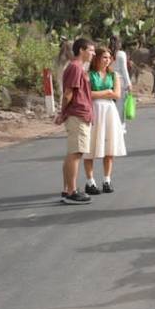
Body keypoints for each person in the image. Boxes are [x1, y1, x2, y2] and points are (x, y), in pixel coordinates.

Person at [56, 38, 96, 204]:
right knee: (76, 153)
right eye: (91, 50)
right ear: (81, 50)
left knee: (72, 153)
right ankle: (72, 191)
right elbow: (68, 93)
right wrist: (62, 112)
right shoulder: (75, 67)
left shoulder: (78, 67)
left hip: (80, 114)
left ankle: (67, 190)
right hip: (77, 114)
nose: (93, 53)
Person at [83, 47, 126, 194]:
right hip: (94, 110)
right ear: (97, 58)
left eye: (109, 58)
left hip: (109, 111)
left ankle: (107, 180)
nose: (107, 60)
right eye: (104, 57)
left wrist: (101, 93)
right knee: (90, 147)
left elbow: (117, 95)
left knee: (109, 147)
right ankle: (90, 181)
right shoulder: (89, 74)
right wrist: (107, 92)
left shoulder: (113, 75)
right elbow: (87, 94)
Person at [108, 35, 133, 126]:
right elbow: (124, 70)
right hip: (120, 82)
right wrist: (129, 84)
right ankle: (120, 126)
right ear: (119, 43)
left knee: (111, 105)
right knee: (120, 106)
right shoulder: (121, 54)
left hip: (109, 81)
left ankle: (111, 125)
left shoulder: (108, 53)